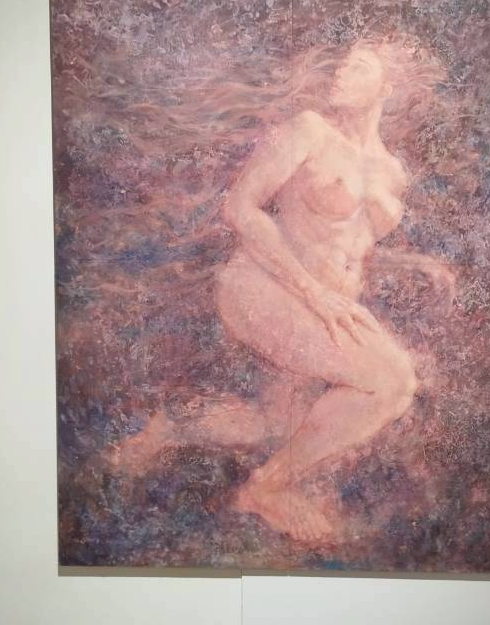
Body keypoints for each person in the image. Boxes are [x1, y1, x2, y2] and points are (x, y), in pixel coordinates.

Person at [107, 40, 455, 542]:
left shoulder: (391, 171)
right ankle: (267, 488)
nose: (340, 73)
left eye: (358, 68)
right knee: (392, 381)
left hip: (323, 305)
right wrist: (315, 294)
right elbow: (240, 209)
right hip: (264, 287)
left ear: (388, 87)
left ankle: (171, 427)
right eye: (342, 63)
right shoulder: (309, 131)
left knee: (283, 427)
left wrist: (410, 263)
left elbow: (346, 243)